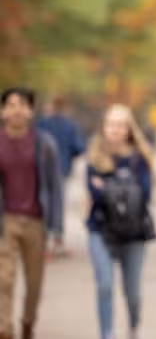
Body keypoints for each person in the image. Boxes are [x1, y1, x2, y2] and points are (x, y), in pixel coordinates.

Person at [85, 104, 154, 339]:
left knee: (132, 292)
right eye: (111, 124)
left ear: (129, 129)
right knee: (104, 285)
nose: (115, 129)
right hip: (100, 230)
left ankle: (134, 328)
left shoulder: (139, 159)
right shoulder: (94, 157)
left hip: (134, 233)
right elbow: (94, 195)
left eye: (121, 125)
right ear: (104, 127)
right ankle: (107, 334)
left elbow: (144, 195)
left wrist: (107, 188)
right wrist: (123, 190)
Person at [0, 88, 63, 339]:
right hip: (6, 220)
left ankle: (28, 322)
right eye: (11, 105)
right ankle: (5, 329)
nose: (17, 110)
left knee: (34, 284)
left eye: (23, 105)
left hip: (37, 220)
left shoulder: (44, 143)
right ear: (3, 111)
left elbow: (55, 187)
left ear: (31, 111)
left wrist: (57, 229)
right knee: (3, 279)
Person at [36, 95, 85, 258]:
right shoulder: (69, 125)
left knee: (41, 201)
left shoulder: (42, 124)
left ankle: (44, 238)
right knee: (58, 202)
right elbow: (78, 147)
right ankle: (57, 238)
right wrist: (69, 155)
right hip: (62, 169)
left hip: (40, 170)